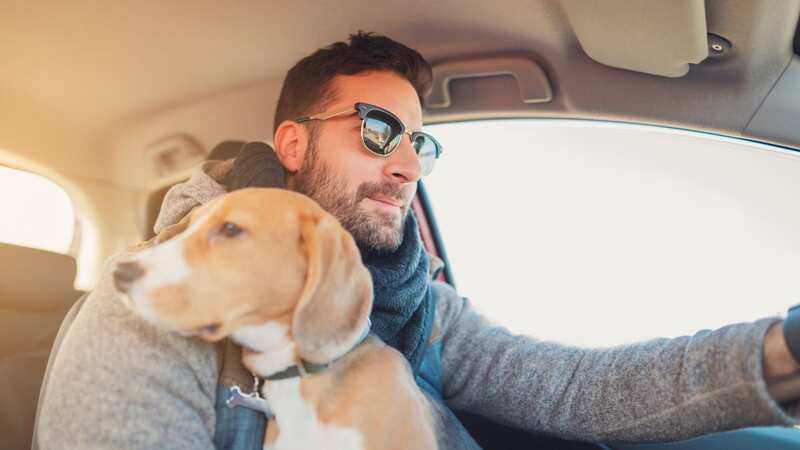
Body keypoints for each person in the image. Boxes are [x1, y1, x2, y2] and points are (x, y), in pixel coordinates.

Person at [37, 31, 800, 450]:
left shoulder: (421, 305)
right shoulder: (151, 306)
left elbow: (576, 388)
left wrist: (781, 352)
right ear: (294, 146)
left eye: (418, 146)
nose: (405, 165)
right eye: (377, 132)